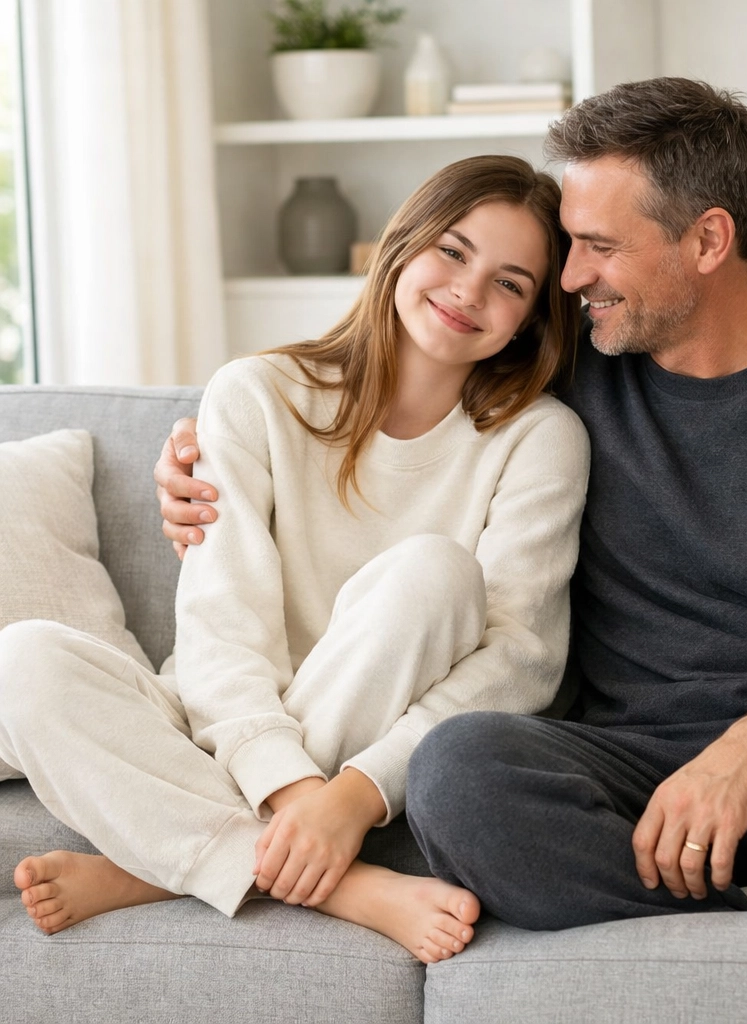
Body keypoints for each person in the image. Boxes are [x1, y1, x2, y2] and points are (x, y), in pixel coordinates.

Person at [154, 79, 747, 1024]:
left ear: (708, 241)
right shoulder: (569, 364)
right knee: (458, 767)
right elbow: (401, 384)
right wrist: (199, 457)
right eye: (570, 247)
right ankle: (720, 923)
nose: (570, 278)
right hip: (625, 783)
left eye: (600, 247)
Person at [0, 154, 590, 965]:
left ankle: (169, 862)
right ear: (402, 245)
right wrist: (303, 799)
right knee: (21, 659)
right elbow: (220, 635)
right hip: (223, 727)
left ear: (529, 319)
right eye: (452, 251)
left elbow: (521, 663)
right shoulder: (256, 393)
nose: (468, 291)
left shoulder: (543, 439)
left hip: (367, 755)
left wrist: (356, 795)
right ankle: (335, 882)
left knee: (433, 573)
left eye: (510, 283)